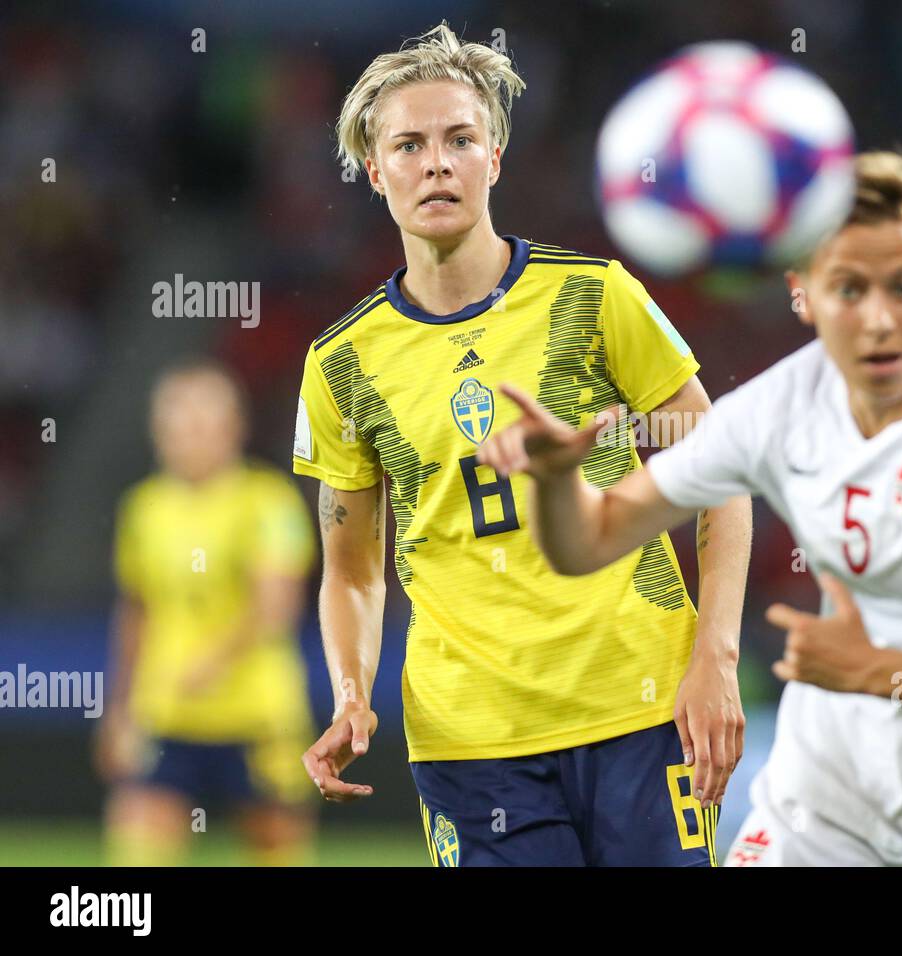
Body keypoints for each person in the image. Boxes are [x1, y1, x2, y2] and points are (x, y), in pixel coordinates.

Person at [477, 150, 902, 866]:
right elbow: (590, 540)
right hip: (822, 815)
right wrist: (555, 482)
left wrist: (877, 673)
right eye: (849, 289)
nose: (880, 319)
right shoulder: (780, 406)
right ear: (802, 292)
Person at [293, 24, 751, 867]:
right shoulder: (341, 365)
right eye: (410, 144)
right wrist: (351, 691)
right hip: (470, 737)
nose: (438, 163)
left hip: (640, 703)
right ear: (374, 169)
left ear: (494, 159)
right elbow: (352, 565)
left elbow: (720, 475)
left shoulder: (595, 295)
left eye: (461, 139)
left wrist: (716, 662)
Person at [97, 360, 317, 865]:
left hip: (257, 716)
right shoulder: (143, 509)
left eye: (202, 424)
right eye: (177, 425)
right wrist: (120, 705)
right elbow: (136, 610)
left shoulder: (268, 501)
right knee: (136, 851)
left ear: (233, 428)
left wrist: (214, 661)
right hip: (168, 712)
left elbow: (277, 603)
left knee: (275, 848)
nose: (188, 438)